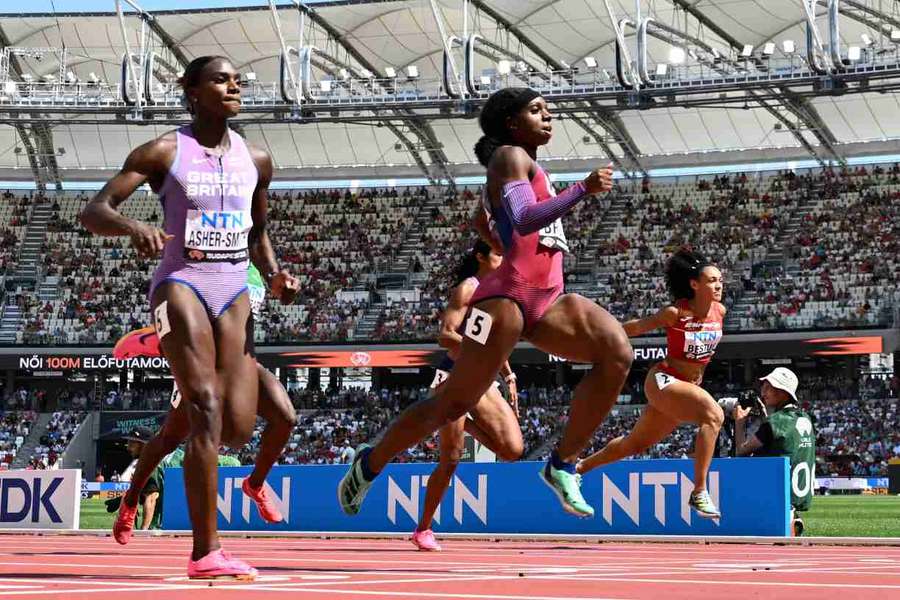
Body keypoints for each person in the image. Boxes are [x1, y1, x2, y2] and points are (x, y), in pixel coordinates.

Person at [338, 87, 629, 519]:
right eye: (536, 110)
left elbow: (485, 220)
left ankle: (563, 463)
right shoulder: (510, 156)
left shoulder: (524, 163)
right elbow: (525, 218)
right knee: (453, 402)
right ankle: (369, 462)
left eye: (547, 109)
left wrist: (499, 236)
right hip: (505, 299)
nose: (548, 117)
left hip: (548, 297)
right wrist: (582, 189)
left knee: (617, 353)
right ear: (511, 123)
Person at [80, 55, 296, 580]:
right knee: (204, 405)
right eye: (221, 78)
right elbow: (95, 210)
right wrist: (134, 228)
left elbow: (258, 232)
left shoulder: (257, 159)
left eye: (237, 78)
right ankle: (206, 551)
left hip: (234, 292)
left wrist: (275, 274)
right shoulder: (164, 150)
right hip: (181, 284)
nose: (234, 85)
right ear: (192, 91)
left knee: (239, 427)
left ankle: (148, 494)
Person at [111, 263, 298, 542]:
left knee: (286, 417)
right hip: (201, 365)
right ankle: (130, 500)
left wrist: (282, 286)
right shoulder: (211, 262)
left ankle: (255, 484)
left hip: (240, 364)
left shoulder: (257, 268)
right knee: (168, 440)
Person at [576, 248, 726, 518]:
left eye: (720, 280)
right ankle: (699, 492)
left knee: (633, 445)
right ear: (695, 284)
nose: (718, 285)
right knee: (714, 415)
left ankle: (577, 470)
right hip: (663, 380)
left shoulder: (720, 312)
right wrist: (602, 338)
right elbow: (637, 327)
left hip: (688, 388)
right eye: (712, 280)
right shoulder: (675, 313)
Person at [412, 239, 523, 552]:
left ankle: (466, 422)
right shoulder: (468, 289)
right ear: (481, 257)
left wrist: (509, 375)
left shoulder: (499, 294)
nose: (504, 258)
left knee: (513, 450)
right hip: (455, 375)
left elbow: (492, 342)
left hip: (483, 376)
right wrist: (477, 357)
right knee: (450, 458)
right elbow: (446, 336)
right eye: (498, 253)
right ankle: (424, 529)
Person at [734, 367, 815, 535]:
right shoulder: (804, 417)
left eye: (768, 387)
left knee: (738, 465)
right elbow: (781, 440)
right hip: (797, 493)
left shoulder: (775, 422)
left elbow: (741, 451)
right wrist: (766, 416)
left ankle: (787, 518)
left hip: (777, 494)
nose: (762, 391)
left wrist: (740, 422)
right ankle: (791, 517)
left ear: (783, 393)